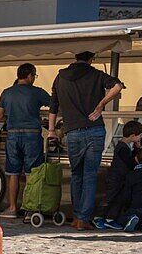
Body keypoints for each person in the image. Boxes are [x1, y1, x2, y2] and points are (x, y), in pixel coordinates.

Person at [48, 51, 124, 231]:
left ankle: (76, 217)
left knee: (76, 175)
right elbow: (118, 86)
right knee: (89, 175)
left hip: (72, 131)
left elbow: (53, 106)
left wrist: (51, 130)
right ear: (91, 60)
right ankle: (83, 219)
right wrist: (101, 104)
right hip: (94, 129)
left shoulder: (60, 77)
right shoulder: (96, 74)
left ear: (75, 59)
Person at [0, 63, 52, 218]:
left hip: (12, 136)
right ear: (30, 76)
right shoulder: (37, 92)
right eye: (34, 75)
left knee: (13, 173)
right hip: (32, 135)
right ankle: (29, 209)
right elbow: (55, 106)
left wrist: (12, 116)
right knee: (32, 173)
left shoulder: (7, 93)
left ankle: (12, 208)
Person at [96, 120, 142, 230]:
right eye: (139, 136)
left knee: (118, 200)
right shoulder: (122, 148)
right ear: (132, 135)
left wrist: (137, 148)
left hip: (121, 178)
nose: (140, 138)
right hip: (115, 178)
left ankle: (110, 218)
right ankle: (98, 217)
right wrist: (137, 158)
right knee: (109, 198)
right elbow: (130, 163)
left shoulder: (125, 146)